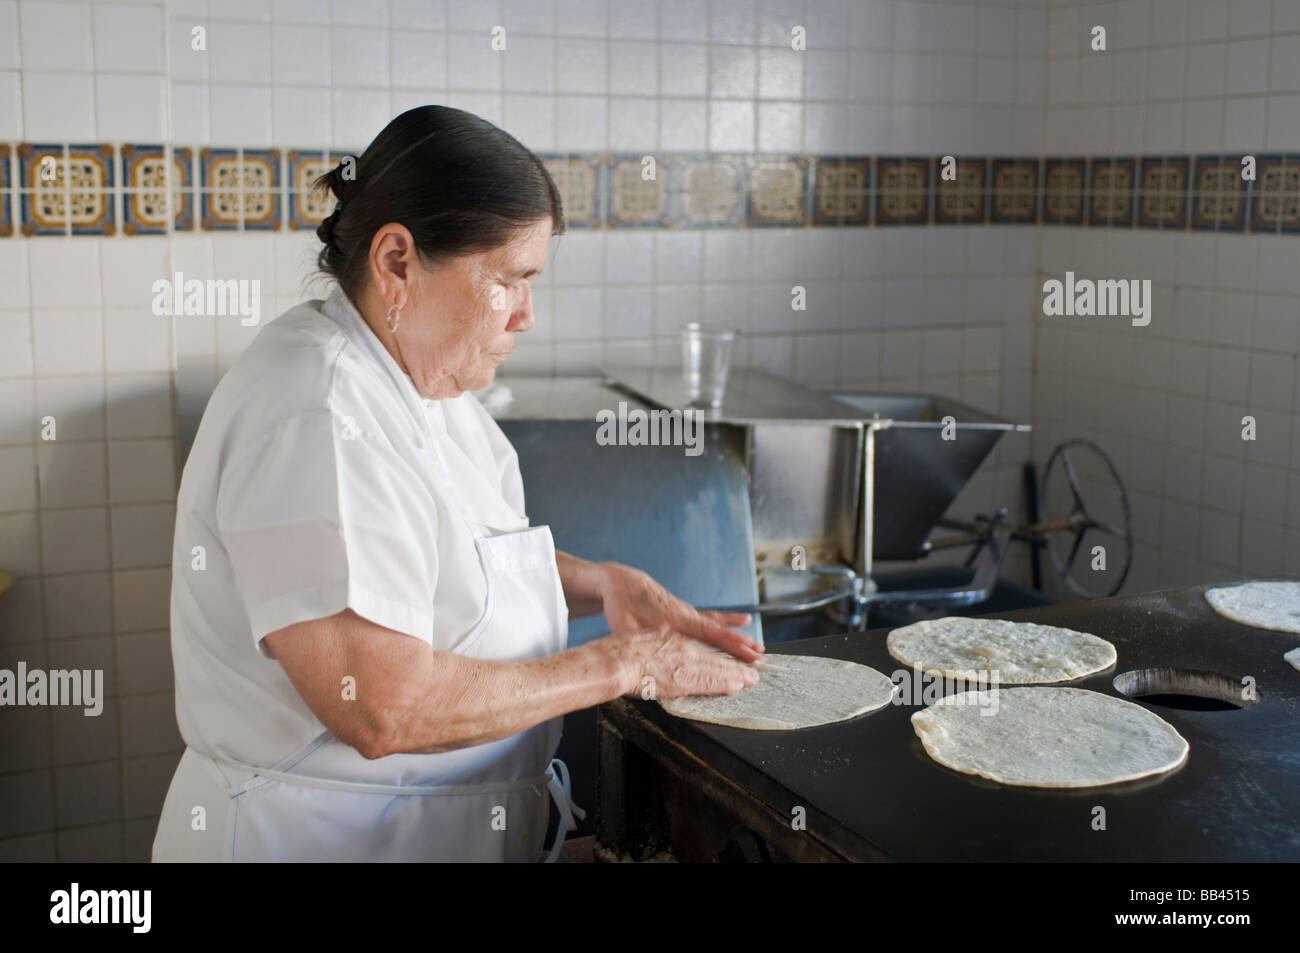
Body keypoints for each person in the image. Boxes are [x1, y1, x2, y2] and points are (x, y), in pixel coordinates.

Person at [152, 105, 762, 862]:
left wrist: (600, 583)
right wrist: (624, 663)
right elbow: (379, 703)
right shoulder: (315, 408)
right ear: (397, 261)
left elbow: (449, 564)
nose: (528, 315)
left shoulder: (422, 387)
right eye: (510, 280)